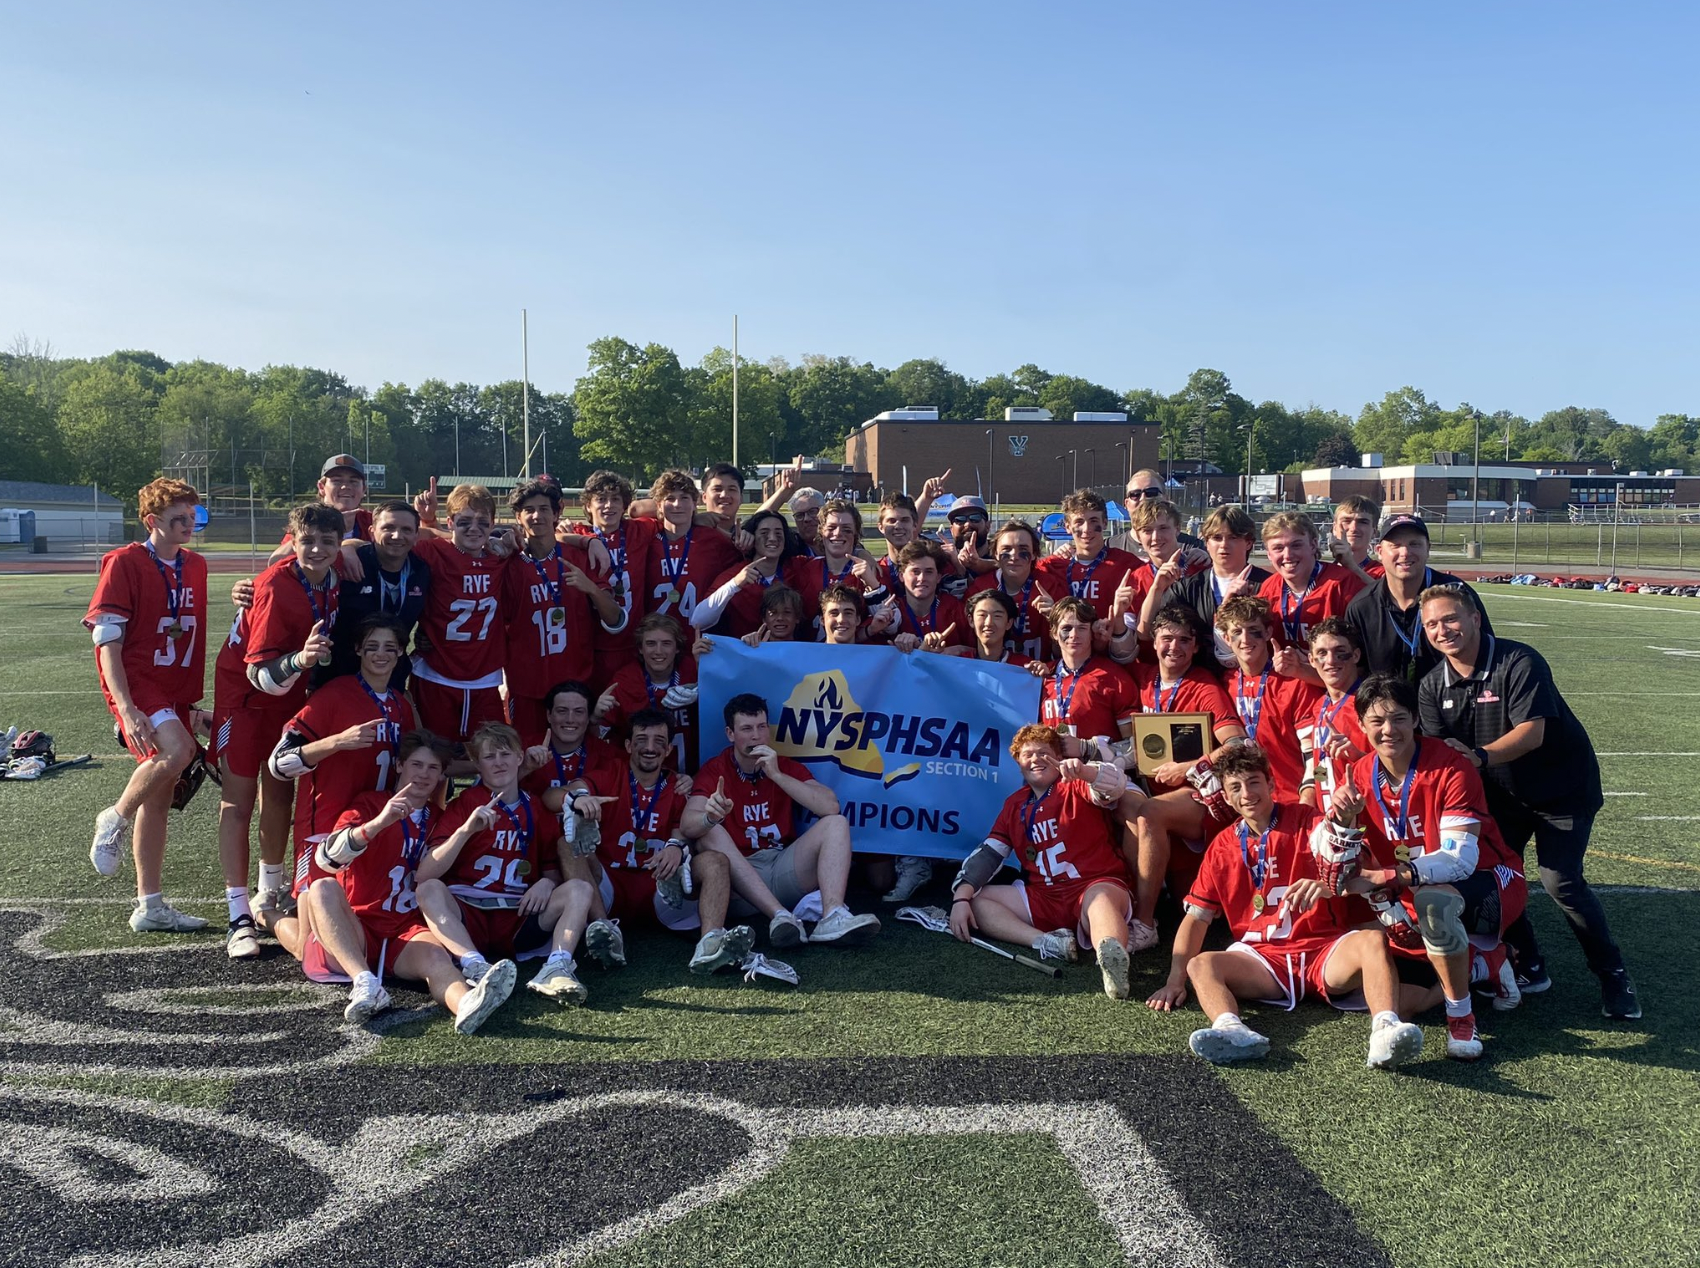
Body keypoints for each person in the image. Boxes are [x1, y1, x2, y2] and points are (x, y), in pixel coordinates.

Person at [1416, 585, 1638, 1019]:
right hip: (1502, 796)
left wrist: (1477, 757)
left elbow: (1532, 733)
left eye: (1451, 619)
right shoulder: (1430, 684)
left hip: (1562, 791)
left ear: (1476, 618)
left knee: (1561, 882)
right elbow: (1438, 752)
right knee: (1495, 876)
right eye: (1432, 625)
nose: (1443, 630)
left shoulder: (1519, 661)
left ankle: (1613, 975)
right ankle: (1529, 962)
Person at [1144, 744, 1427, 1069]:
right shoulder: (1221, 846)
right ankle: (1231, 1029)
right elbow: (1197, 919)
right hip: (1262, 958)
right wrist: (1174, 980)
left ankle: (1384, 1032)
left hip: (1323, 950)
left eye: (1253, 782)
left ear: (1271, 783)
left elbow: (1348, 863)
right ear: (1224, 794)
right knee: (1200, 965)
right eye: (1235, 787)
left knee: (1372, 941)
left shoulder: (1307, 820)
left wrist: (1327, 874)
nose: (1247, 793)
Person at [1338, 674, 1530, 1060]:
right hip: (1413, 884)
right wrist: (1340, 824)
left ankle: (1461, 1018)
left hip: (1490, 880)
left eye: (1399, 718)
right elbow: (1353, 857)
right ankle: (1485, 962)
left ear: (1415, 720)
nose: (1388, 730)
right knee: (1394, 996)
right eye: (1376, 722)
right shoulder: (1358, 775)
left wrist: (1388, 878)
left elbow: (1461, 860)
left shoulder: (1452, 766)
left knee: (1434, 903)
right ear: (1361, 726)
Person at [272, 732, 516, 1034]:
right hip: (357, 926)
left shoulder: (440, 817)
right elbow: (327, 860)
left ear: (442, 774)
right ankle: (361, 981)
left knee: (438, 959)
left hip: (405, 927)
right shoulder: (370, 803)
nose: (424, 774)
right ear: (399, 766)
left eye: (433, 768)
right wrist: (378, 824)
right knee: (317, 897)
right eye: (417, 765)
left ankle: (467, 1004)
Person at [210, 502, 344, 933]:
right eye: (307, 541)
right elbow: (259, 675)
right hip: (245, 700)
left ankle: (269, 890)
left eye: (327, 541)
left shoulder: (334, 578)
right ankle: (237, 914)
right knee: (239, 801)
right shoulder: (274, 586)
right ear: (292, 542)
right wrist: (302, 660)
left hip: (289, 701)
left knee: (281, 796)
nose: (317, 549)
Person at [86, 477, 211, 935]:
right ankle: (112, 817)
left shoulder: (195, 565)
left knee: (157, 801)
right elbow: (107, 644)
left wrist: (192, 706)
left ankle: (150, 905)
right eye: (178, 518)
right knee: (180, 752)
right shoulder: (123, 562)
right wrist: (126, 706)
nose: (188, 526)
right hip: (140, 685)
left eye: (192, 517)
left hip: (176, 688)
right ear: (151, 521)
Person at [950, 725, 1145, 999]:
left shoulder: (1077, 786)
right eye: (1028, 754)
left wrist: (1085, 771)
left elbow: (1116, 785)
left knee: (1101, 900)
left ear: (1059, 758)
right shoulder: (1014, 804)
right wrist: (960, 898)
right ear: (1018, 763)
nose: (1036, 759)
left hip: (1093, 885)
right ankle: (1047, 942)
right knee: (978, 901)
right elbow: (989, 854)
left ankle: (1112, 962)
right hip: (1045, 895)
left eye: (1044, 753)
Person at [265, 616, 418, 959]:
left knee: (353, 933)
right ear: (359, 650)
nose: (381, 655)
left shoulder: (400, 704)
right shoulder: (334, 694)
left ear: (400, 655)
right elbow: (279, 763)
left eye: (390, 648)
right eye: (373, 646)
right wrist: (336, 742)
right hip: (322, 831)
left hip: (369, 833)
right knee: (311, 948)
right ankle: (268, 915)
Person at [414, 722, 596, 1005]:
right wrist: (465, 831)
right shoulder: (465, 804)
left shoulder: (535, 807)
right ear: (477, 764)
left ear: (520, 757)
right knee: (429, 890)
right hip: (470, 913)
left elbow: (550, 869)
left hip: (519, 914)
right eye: (489, 757)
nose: (498, 763)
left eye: (505, 754)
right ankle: (473, 964)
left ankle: (556, 966)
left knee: (579, 890)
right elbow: (425, 874)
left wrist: (547, 883)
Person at [683, 693, 881, 950]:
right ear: (730, 734)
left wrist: (776, 775)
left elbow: (830, 805)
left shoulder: (782, 765)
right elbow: (688, 825)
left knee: (836, 823)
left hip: (781, 865)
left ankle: (831, 916)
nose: (756, 736)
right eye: (746, 729)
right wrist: (710, 816)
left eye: (761, 727)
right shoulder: (715, 768)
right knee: (709, 832)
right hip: (739, 882)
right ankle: (780, 916)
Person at [567, 708, 754, 975]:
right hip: (608, 883)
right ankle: (602, 929)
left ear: (668, 750)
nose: (650, 748)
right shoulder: (612, 774)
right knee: (568, 842)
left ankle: (711, 943)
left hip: (660, 886)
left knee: (716, 861)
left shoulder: (677, 786)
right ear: (629, 745)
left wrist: (676, 847)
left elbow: (683, 831)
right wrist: (579, 797)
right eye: (642, 740)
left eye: (659, 742)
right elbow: (564, 792)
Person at [1118, 605, 1245, 948]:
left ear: (1196, 647)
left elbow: (1236, 743)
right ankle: (1132, 907)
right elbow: (1116, 644)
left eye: (1183, 640)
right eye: (1166, 638)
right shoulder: (1144, 678)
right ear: (1155, 642)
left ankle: (1144, 924)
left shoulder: (1204, 687)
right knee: (1130, 809)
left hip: (1201, 796)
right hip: (1159, 795)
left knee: (1148, 812)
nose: (1174, 647)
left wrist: (1191, 767)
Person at [505, 478, 626, 744]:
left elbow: (615, 619)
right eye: (529, 510)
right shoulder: (509, 563)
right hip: (527, 684)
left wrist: (591, 589)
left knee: (576, 754)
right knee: (528, 754)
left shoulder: (580, 555)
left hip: (576, 680)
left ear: (557, 513)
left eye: (544, 509)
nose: (537, 516)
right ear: (518, 516)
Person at [408, 483, 509, 752]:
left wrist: (585, 539)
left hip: (484, 676)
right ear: (450, 522)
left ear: (493, 523)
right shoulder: (433, 552)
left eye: (482, 522)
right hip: (436, 673)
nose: (474, 528)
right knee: (432, 756)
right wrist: (347, 547)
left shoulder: (501, 557)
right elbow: (397, 537)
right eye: (464, 521)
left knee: (493, 755)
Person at [1345, 514, 1491, 683]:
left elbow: (1486, 653)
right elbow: (1356, 672)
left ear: (1428, 548)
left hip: (1450, 705)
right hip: (1387, 707)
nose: (1405, 553)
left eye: (1414, 544)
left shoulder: (1457, 595)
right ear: (1379, 552)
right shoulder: (1362, 607)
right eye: (1396, 545)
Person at [1215, 597, 1322, 804]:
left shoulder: (1295, 682)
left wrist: (1310, 797)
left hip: (1297, 801)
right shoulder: (1226, 683)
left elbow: (1319, 758)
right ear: (1226, 639)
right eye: (1237, 632)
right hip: (1249, 803)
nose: (1245, 640)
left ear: (1268, 632)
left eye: (1253, 630)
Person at [568, 469, 659, 688]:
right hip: (594, 645)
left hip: (633, 642)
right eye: (601, 499)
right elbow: (553, 537)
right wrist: (587, 542)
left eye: (615, 499)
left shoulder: (638, 529)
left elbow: (666, 507)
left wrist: (698, 515)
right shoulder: (579, 533)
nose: (608, 505)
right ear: (588, 506)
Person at [1256, 511, 1366, 678]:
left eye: (1296, 545)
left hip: (1336, 689)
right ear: (1269, 554)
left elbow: (1363, 662)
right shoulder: (1269, 587)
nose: (1287, 555)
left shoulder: (1342, 584)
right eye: (1278, 548)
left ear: (1314, 545)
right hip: (1287, 687)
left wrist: (1304, 669)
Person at [1159, 504, 1269, 662]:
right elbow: (1153, 631)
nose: (1224, 544)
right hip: (1202, 676)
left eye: (1233, 537)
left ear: (1249, 543)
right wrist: (1157, 588)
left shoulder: (1268, 584)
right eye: (1217, 538)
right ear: (1206, 543)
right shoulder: (1188, 587)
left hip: (1253, 678)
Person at [595, 613, 700, 772]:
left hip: (688, 776)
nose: (658, 651)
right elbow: (597, 738)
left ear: (677, 648)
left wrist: (706, 688)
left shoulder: (694, 671)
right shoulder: (625, 681)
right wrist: (595, 716)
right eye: (651, 643)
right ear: (640, 649)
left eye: (666, 643)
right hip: (640, 779)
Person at [645, 469, 745, 628]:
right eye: (670, 498)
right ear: (659, 505)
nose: (677, 505)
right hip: (658, 641)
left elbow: (745, 564)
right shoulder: (647, 538)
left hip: (699, 638)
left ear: (694, 502)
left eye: (684, 498)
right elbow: (633, 509)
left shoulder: (713, 540)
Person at [690, 509, 805, 638]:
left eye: (778, 533)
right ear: (752, 539)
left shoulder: (796, 568)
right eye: (764, 533)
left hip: (783, 654)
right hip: (744, 654)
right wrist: (734, 585)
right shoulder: (735, 575)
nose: (772, 538)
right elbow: (698, 621)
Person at [519, 679, 625, 813]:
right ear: (549, 715)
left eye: (579, 712)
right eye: (562, 711)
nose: (570, 719)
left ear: (588, 718)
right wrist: (523, 768)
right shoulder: (523, 750)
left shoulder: (607, 755)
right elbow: (492, 789)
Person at [965, 519, 1062, 661]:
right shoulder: (980, 589)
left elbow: (1065, 650)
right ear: (996, 554)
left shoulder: (1050, 587)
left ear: (1034, 553)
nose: (1014, 556)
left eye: (1023, 550)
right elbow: (968, 642)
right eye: (1006, 549)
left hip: (1038, 674)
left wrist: (1056, 620)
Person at [1036, 490, 1142, 618]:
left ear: (1104, 523)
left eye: (1093, 520)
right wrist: (1051, 614)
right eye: (1079, 522)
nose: (1087, 529)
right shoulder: (1053, 566)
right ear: (1067, 527)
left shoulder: (1127, 564)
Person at [1303, 618, 1372, 815]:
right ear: (1311, 660)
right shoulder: (1320, 706)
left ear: (1356, 655)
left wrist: (1359, 758)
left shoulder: (1370, 704)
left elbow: (1397, 766)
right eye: (1322, 653)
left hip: (1367, 815)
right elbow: (1322, 764)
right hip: (1331, 818)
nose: (1331, 661)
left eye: (1340, 652)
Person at [789, 499, 884, 639]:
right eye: (831, 528)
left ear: (856, 534)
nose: (838, 533)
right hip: (809, 656)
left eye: (846, 529)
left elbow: (892, 623)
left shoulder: (868, 571)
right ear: (821, 531)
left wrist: (873, 584)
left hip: (855, 656)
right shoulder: (802, 567)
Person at [1121, 497, 1212, 643]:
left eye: (1163, 528)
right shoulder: (1135, 579)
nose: (1156, 537)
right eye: (1147, 530)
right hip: (1152, 662)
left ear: (1177, 529)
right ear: (1138, 535)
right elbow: (1141, 635)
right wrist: (1156, 589)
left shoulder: (1200, 566)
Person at [267, 454, 373, 565]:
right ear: (321, 487)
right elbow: (275, 562)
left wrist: (351, 545)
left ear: (364, 489)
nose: (345, 487)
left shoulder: (373, 522)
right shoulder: (308, 519)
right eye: (337, 481)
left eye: (353, 481)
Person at [880, 541, 973, 653]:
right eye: (915, 571)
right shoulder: (891, 613)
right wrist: (896, 650)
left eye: (929, 572)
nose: (922, 578)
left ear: (938, 577)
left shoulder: (955, 609)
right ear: (901, 576)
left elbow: (981, 653)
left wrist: (954, 651)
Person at [1110, 469, 1204, 558]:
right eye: (1135, 494)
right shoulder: (1109, 547)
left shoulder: (1192, 547)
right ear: (1126, 504)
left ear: (1165, 499)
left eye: (1151, 493)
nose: (1143, 499)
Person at [963, 589, 1031, 665]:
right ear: (971, 620)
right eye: (982, 615)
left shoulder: (1025, 667)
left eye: (997, 616)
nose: (988, 623)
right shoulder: (958, 664)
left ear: (1009, 623)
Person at [941, 495, 997, 586]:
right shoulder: (942, 560)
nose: (968, 524)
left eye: (975, 518)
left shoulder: (1001, 554)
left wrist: (981, 564)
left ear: (988, 526)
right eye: (959, 519)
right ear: (951, 530)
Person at [1328, 495, 1382, 586]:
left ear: (1374, 531)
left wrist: (1352, 567)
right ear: (1334, 528)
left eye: (1363, 522)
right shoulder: (1321, 573)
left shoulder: (1384, 573)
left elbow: (1385, 599)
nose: (1354, 528)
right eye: (1346, 521)